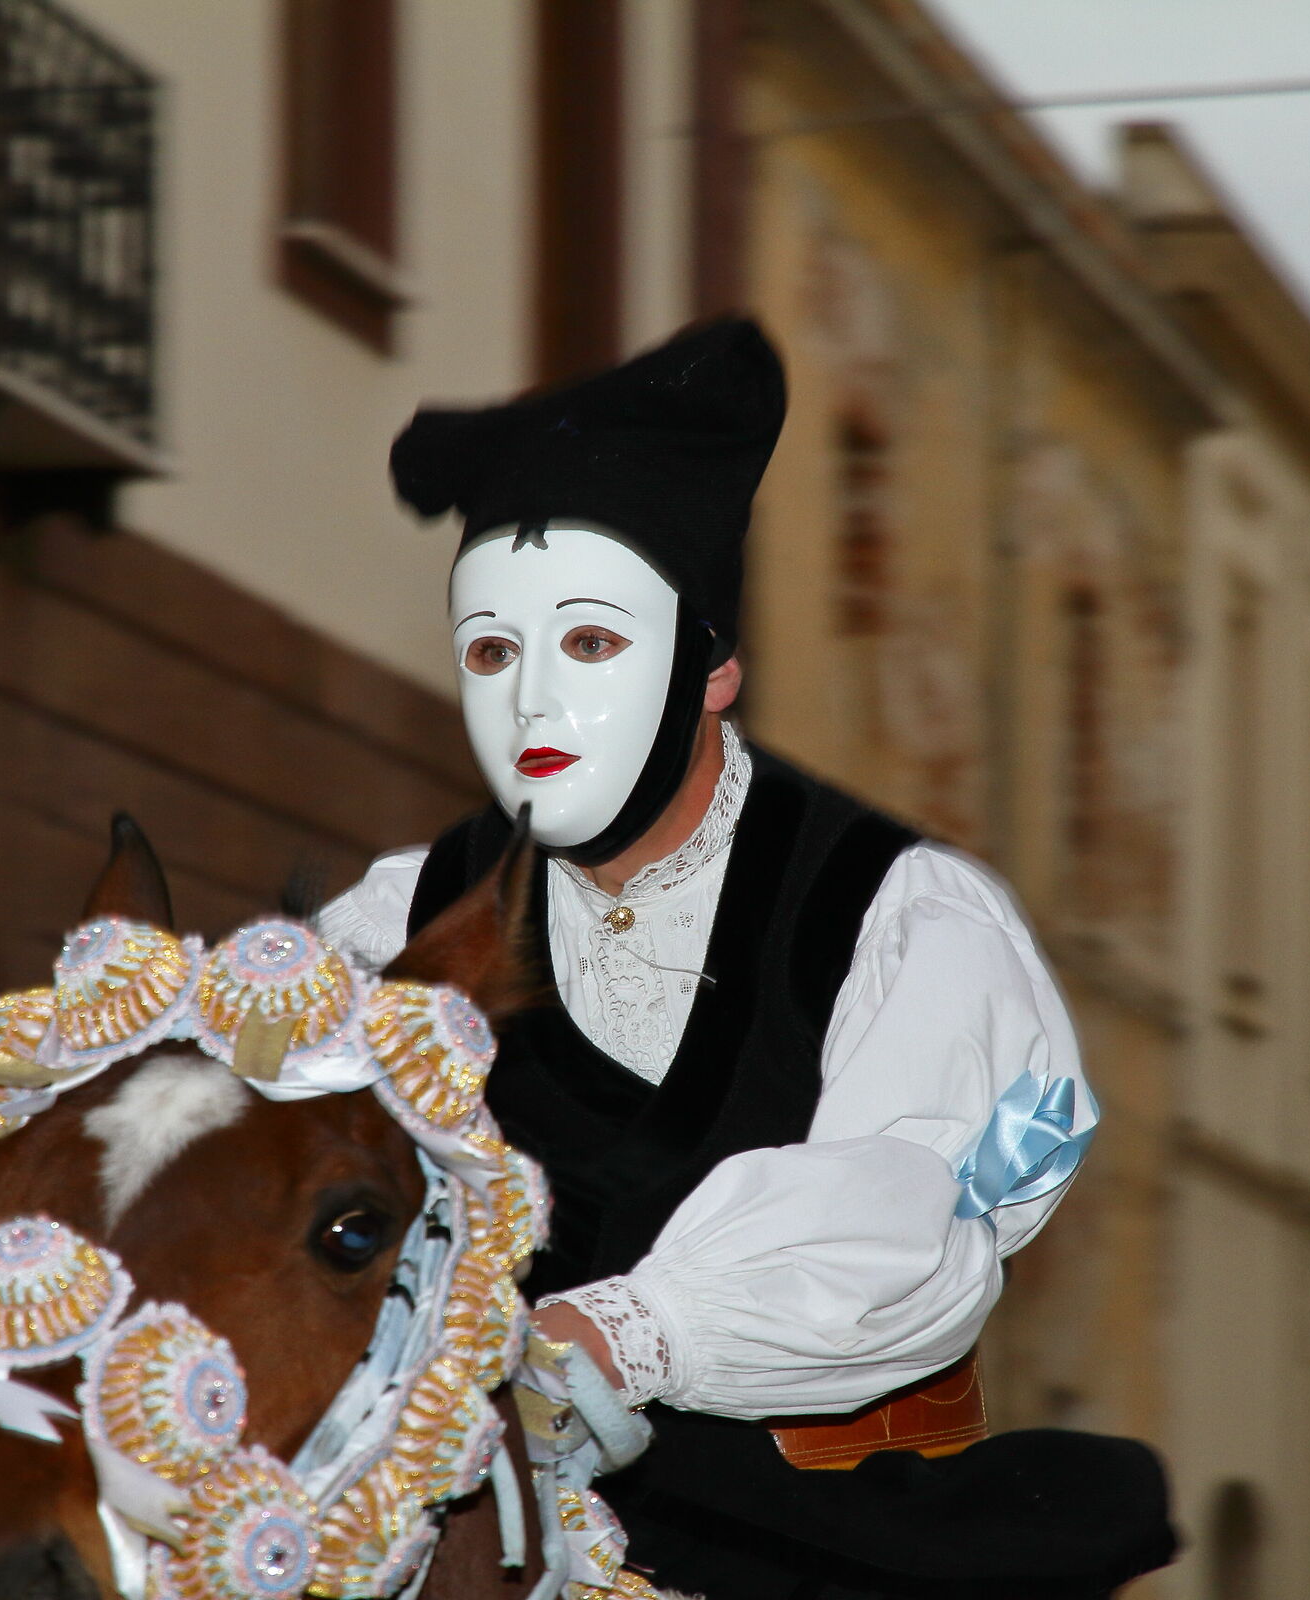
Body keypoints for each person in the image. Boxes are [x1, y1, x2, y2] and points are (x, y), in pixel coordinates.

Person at [319, 318, 1171, 1598]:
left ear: (710, 665)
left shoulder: (901, 916)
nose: (534, 700)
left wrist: (629, 1330)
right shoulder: (396, 922)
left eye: (590, 643)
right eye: (492, 651)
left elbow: (921, 1212)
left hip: (811, 1553)